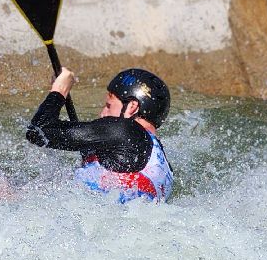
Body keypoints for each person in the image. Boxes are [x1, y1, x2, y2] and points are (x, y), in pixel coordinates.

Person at [26, 67, 174, 203]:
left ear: (132, 107)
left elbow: (38, 131)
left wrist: (59, 91)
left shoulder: (124, 130)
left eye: (108, 105)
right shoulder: (163, 165)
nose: (103, 113)